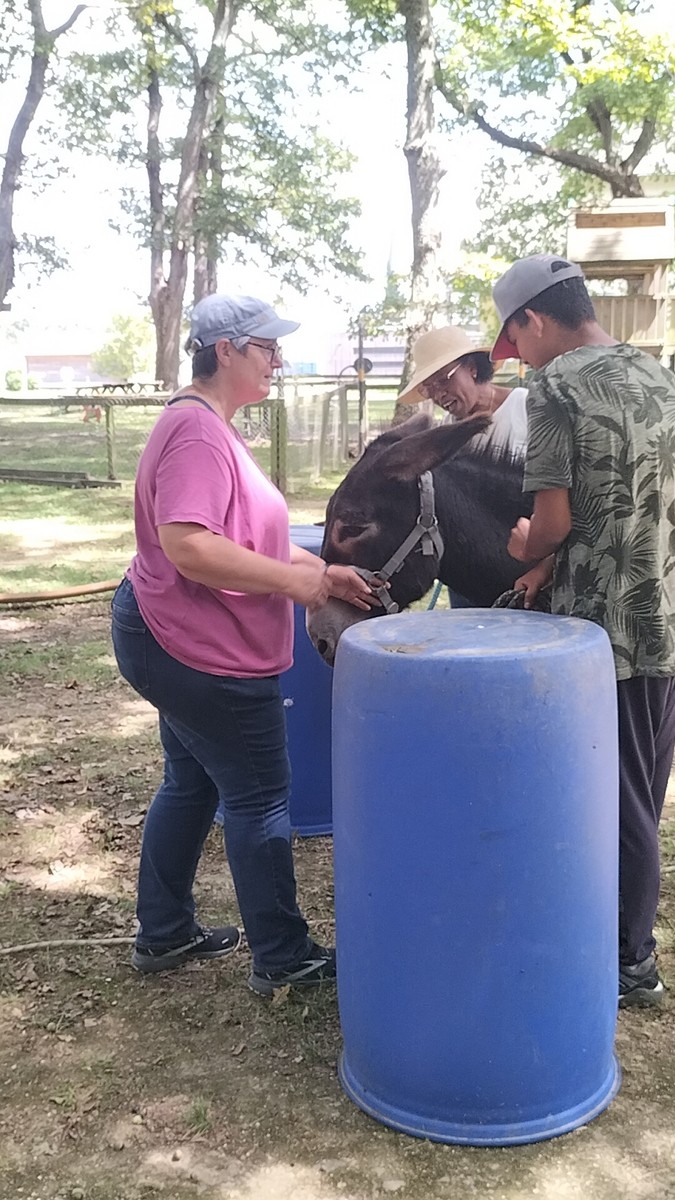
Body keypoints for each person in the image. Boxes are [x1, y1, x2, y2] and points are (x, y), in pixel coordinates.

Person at [111, 292, 376, 996]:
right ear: (223, 350)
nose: (277, 359)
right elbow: (191, 547)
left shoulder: (212, 425)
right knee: (259, 797)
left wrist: (319, 569)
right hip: (195, 646)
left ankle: (163, 933)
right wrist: (302, 590)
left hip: (167, 629)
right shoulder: (198, 433)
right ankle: (282, 955)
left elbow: (239, 536)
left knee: (191, 781)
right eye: (266, 347)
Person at [492, 253, 675, 1007]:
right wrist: (553, 567)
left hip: (600, 638)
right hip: (662, 617)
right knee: (645, 789)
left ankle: (631, 962)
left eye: (513, 340)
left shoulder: (554, 387)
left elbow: (556, 519)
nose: (517, 357)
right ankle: (619, 935)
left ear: (533, 320)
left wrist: (523, 548)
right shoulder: (659, 375)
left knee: (615, 799)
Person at [397, 324, 528, 456]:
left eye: (443, 380)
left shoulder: (526, 407)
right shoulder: (446, 433)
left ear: (472, 367)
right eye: (428, 389)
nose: (438, 395)